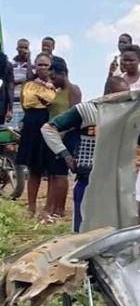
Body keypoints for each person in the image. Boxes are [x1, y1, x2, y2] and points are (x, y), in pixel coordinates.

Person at [43, 76, 131, 231]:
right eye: (121, 95)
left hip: (113, 182)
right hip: (87, 179)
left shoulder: (123, 114)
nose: (124, 100)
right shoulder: (86, 110)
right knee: (82, 229)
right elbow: (48, 129)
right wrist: (66, 155)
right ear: (109, 92)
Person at [16, 54, 57, 217]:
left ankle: (48, 208)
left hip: (49, 124)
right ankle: (31, 207)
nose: (42, 68)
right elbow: (25, 105)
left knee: (50, 168)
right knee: (34, 169)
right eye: (39, 65)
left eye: (46, 65)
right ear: (35, 67)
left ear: (51, 67)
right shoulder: (28, 85)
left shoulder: (56, 86)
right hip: (32, 126)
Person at [43, 57, 81, 220]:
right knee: (53, 173)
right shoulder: (55, 92)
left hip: (67, 135)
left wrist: (63, 133)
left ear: (63, 74)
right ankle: (51, 208)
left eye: (54, 77)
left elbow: (75, 115)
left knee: (61, 174)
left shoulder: (73, 90)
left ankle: (60, 209)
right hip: (54, 136)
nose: (52, 80)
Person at [7, 39, 33, 125]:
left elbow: (30, 79)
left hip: (24, 106)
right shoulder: (10, 64)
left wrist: (29, 59)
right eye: (21, 47)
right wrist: (21, 81)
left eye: (25, 48)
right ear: (17, 48)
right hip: (12, 106)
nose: (23, 50)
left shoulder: (31, 66)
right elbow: (8, 82)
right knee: (11, 132)